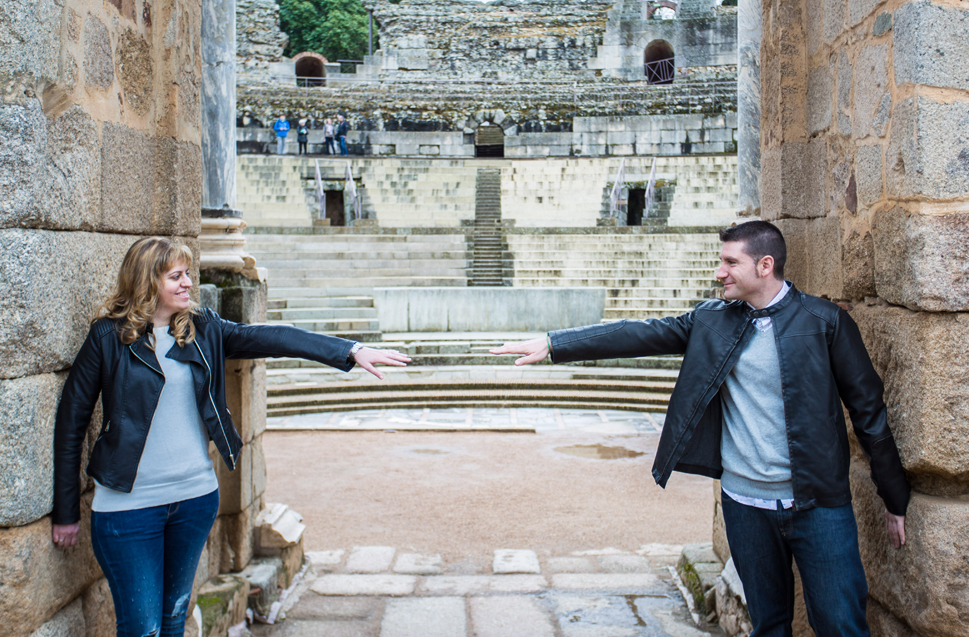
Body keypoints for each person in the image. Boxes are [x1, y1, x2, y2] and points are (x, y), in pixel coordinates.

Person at [492, 220, 909, 636]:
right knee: (769, 626)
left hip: (819, 504)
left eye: (730, 261)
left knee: (841, 625)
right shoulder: (713, 320)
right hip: (745, 506)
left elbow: (868, 411)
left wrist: (894, 496)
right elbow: (639, 334)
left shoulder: (825, 321)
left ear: (765, 265)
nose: (719, 272)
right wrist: (553, 344)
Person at [51, 237, 410, 637]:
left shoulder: (204, 330)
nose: (188, 283)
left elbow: (275, 337)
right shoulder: (107, 338)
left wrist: (349, 350)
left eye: (187, 273)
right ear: (146, 282)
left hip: (193, 500)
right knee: (141, 628)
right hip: (127, 509)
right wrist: (66, 511)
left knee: (174, 619)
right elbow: (71, 425)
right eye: (176, 276)